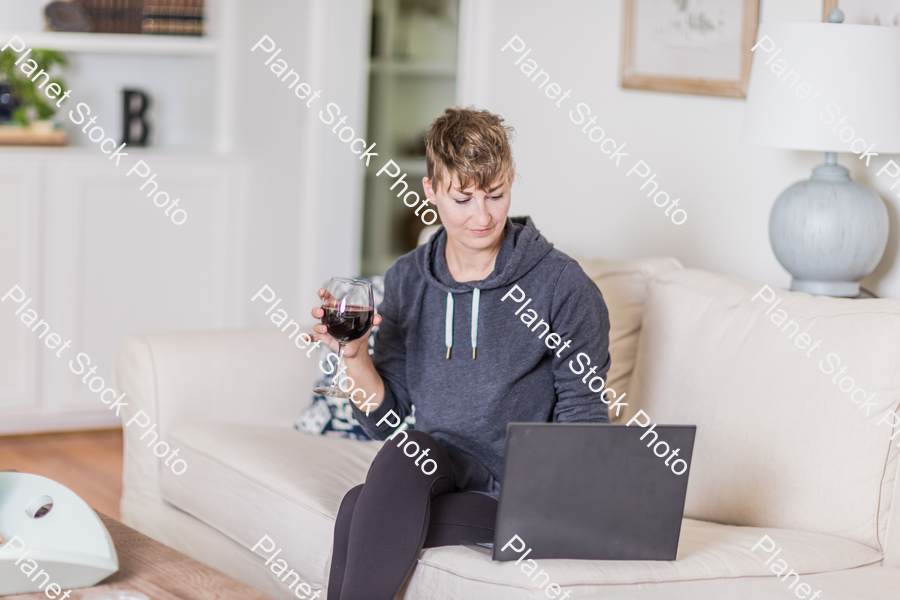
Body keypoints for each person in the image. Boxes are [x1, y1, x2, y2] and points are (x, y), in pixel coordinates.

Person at [310, 107, 611, 600]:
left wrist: (557, 506)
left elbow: (585, 420)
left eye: (496, 194)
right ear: (430, 191)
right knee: (408, 455)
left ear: (510, 181)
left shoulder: (561, 285)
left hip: (517, 495)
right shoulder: (409, 278)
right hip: (436, 472)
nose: (483, 215)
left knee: (356, 508)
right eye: (463, 197)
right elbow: (387, 424)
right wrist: (354, 356)